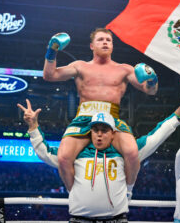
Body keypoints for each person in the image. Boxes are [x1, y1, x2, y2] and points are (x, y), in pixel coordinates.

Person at [17, 90, 180, 222]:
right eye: (95, 130)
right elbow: (45, 151)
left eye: (104, 130)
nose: (99, 134)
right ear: (89, 132)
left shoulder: (125, 154)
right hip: (79, 220)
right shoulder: (76, 154)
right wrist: (33, 126)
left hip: (116, 219)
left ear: (113, 133)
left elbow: (157, 134)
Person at [42, 28, 158, 191]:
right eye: (101, 40)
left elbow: (150, 90)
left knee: (132, 154)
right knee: (63, 158)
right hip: (84, 118)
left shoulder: (125, 69)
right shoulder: (80, 66)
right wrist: (51, 50)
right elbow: (49, 75)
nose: (105, 42)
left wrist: (153, 79)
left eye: (108, 40)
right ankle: (72, 194)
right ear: (91, 46)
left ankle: (128, 192)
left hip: (112, 119)